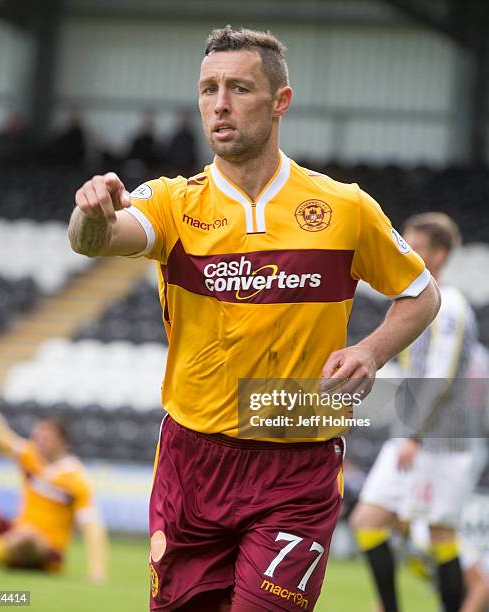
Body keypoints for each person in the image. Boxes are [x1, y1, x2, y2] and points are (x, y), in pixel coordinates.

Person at [68, 26, 440, 611]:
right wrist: (90, 214)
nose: (219, 103)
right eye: (208, 89)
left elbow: (421, 293)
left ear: (280, 102)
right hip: (192, 460)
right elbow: (99, 238)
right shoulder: (171, 200)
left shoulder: (344, 207)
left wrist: (371, 351)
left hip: (298, 463)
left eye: (239, 88)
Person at [351, 213, 480, 612]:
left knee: (441, 532)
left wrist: (412, 435)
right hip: (411, 434)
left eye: (417, 247)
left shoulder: (451, 305)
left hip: (444, 442)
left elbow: (439, 377)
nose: (406, 253)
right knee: (366, 521)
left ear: (440, 255)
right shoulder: (412, 303)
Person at [0, 388, 107, 582]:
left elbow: (92, 527)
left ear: (62, 441)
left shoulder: (76, 477)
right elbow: (1, 438)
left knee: (26, 536)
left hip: (46, 550)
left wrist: (97, 571)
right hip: (17, 532)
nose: (39, 442)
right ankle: (1, 551)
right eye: (37, 437)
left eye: (46, 438)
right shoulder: (31, 456)